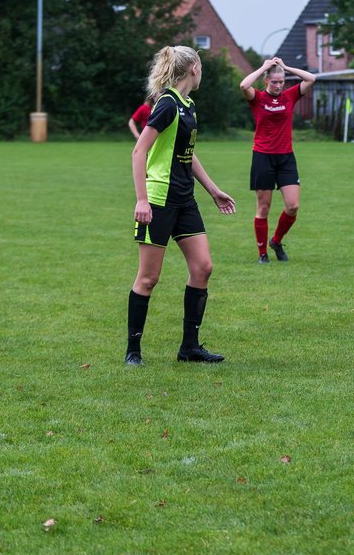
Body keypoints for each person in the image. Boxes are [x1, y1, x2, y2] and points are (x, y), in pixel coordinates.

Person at [127, 45, 236, 365]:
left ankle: (189, 347)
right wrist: (142, 199)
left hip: (185, 199)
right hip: (158, 201)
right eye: (202, 65)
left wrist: (213, 190)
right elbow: (139, 151)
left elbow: (187, 154)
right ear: (194, 69)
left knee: (203, 268)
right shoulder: (167, 104)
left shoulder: (188, 105)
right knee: (148, 278)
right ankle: (133, 351)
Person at [239, 57, 317, 263]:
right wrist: (264, 67)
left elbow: (311, 78)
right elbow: (243, 85)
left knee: (293, 205)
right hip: (263, 157)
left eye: (281, 81)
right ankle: (262, 253)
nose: (278, 85)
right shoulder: (257, 98)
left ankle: (276, 241)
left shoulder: (290, 96)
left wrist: (286, 67)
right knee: (263, 208)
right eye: (274, 81)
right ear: (266, 81)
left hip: (286, 158)